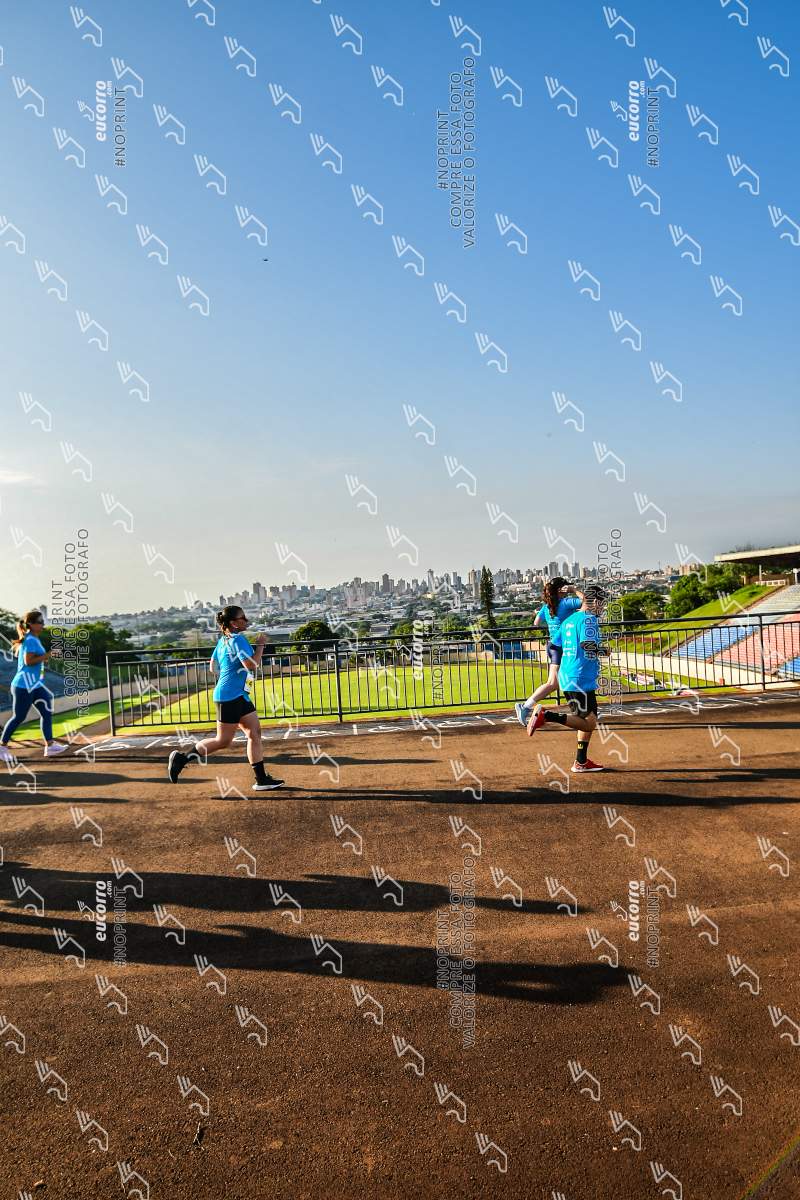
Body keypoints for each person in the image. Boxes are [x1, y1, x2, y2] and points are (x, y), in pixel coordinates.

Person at [167, 605, 284, 791]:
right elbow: (251, 664)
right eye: (242, 618)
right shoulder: (238, 639)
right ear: (233, 623)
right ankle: (181, 758)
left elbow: (213, 667)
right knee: (223, 741)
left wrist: (230, 674)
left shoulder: (223, 640)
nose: (246, 620)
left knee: (254, 733)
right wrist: (261, 645)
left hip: (238, 695)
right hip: (230, 697)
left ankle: (261, 779)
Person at [525, 584, 609, 772]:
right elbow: (587, 645)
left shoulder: (570, 620)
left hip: (570, 675)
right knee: (589, 723)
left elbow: (555, 644)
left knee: (587, 718)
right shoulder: (589, 619)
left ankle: (581, 761)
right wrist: (604, 650)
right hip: (580, 678)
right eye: (602, 604)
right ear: (595, 602)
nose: (602, 608)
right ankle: (547, 715)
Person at [0, 610, 69, 760]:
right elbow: (28, 661)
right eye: (40, 622)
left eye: (43, 622)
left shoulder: (34, 639)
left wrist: (44, 658)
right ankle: (2, 747)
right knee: (19, 717)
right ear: (31, 624)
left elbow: (34, 659)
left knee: (46, 710)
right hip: (24, 685)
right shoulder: (31, 639)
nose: (43, 624)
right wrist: (48, 654)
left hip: (35, 685)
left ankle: (50, 746)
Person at [514, 578, 583, 727]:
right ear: (561, 589)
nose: (568, 589)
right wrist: (574, 590)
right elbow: (586, 602)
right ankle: (525, 707)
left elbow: (536, 622)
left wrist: (555, 623)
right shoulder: (566, 603)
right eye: (566, 587)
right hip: (562, 646)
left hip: (553, 645)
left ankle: (582, 711)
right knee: (554, 683)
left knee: (568, 679)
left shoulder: (547, 606)